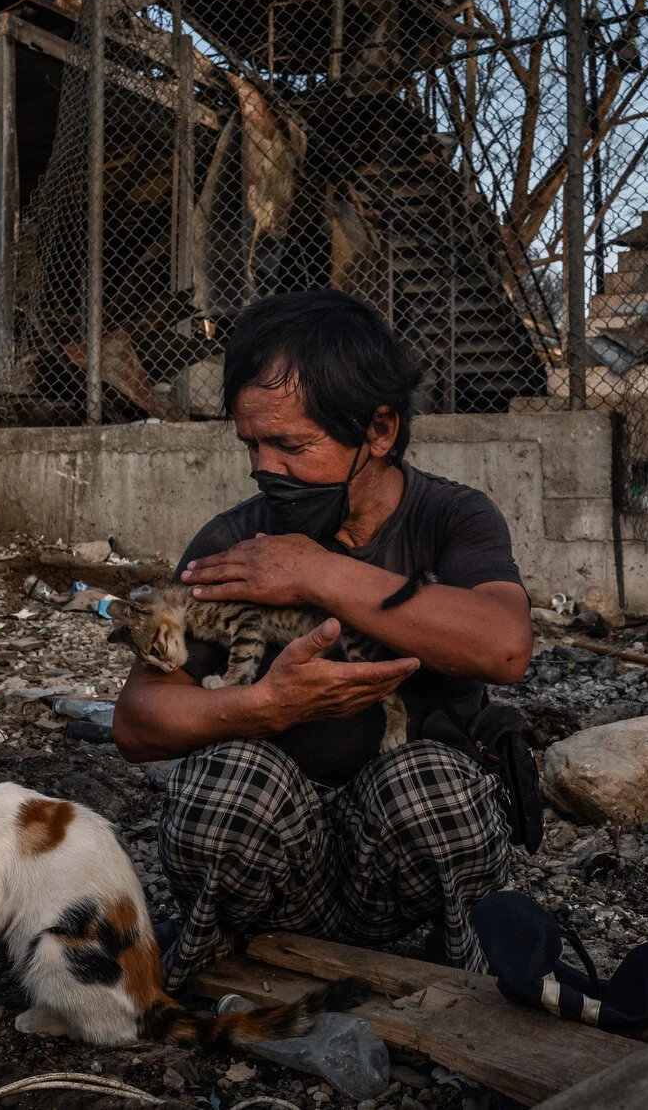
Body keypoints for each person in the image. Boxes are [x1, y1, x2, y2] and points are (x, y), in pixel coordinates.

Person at [112, 289, 534, 986]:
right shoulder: (236, 541)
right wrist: (264, 708)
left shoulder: (451, 517)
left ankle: (468, 976)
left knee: (435, 787)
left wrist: (314, 572)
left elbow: (505, 646)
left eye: (292, 445)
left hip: (401, 868)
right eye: (252, 444)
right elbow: (135, 725)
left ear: (379, 430)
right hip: (282, 869)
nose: (265, 468)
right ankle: (210, 969)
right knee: (225, 785)